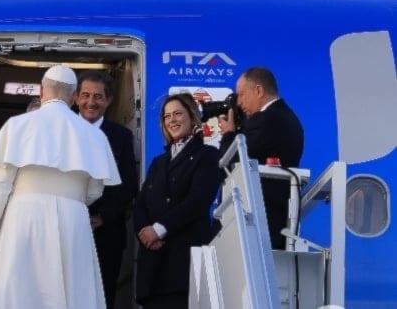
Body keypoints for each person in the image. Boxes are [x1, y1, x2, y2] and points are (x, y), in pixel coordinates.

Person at [0, 65, 121, 309]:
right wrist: (72, 201)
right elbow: (95, 190)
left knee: (20, 288)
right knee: (72, 290)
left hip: (23, 216)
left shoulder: (17, 125)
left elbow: (1, 184)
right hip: (74, 217)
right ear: (75, 97)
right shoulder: (94, 135)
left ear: (42, 91)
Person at [134, 93, 223, 309]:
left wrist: (159, 229)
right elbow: (141, 203)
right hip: (153, 268)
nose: (172, 120)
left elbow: (197, 202)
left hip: (183, 267)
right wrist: (145, 232)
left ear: (192, 117)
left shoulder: (207, 155)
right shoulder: (158, 162)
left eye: (177, 114)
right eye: (167, 116)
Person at [217, 66, 304, 249]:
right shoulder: (288, 117)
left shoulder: (266, 119)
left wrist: (228, 134)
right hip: (278, 218)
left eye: (241, 94)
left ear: (258, 90)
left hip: (261, 218)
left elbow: (233, 160)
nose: (238, 103)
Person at [74, 71, 138, 309]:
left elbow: (128, 184)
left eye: (98, 97)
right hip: (66, 228)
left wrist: (102, 217)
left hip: (107, 234)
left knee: (102, 296)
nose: (91, 102)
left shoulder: (122, 136)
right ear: (75, 98)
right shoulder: (63, 131)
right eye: (86, 95)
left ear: (109, 100)